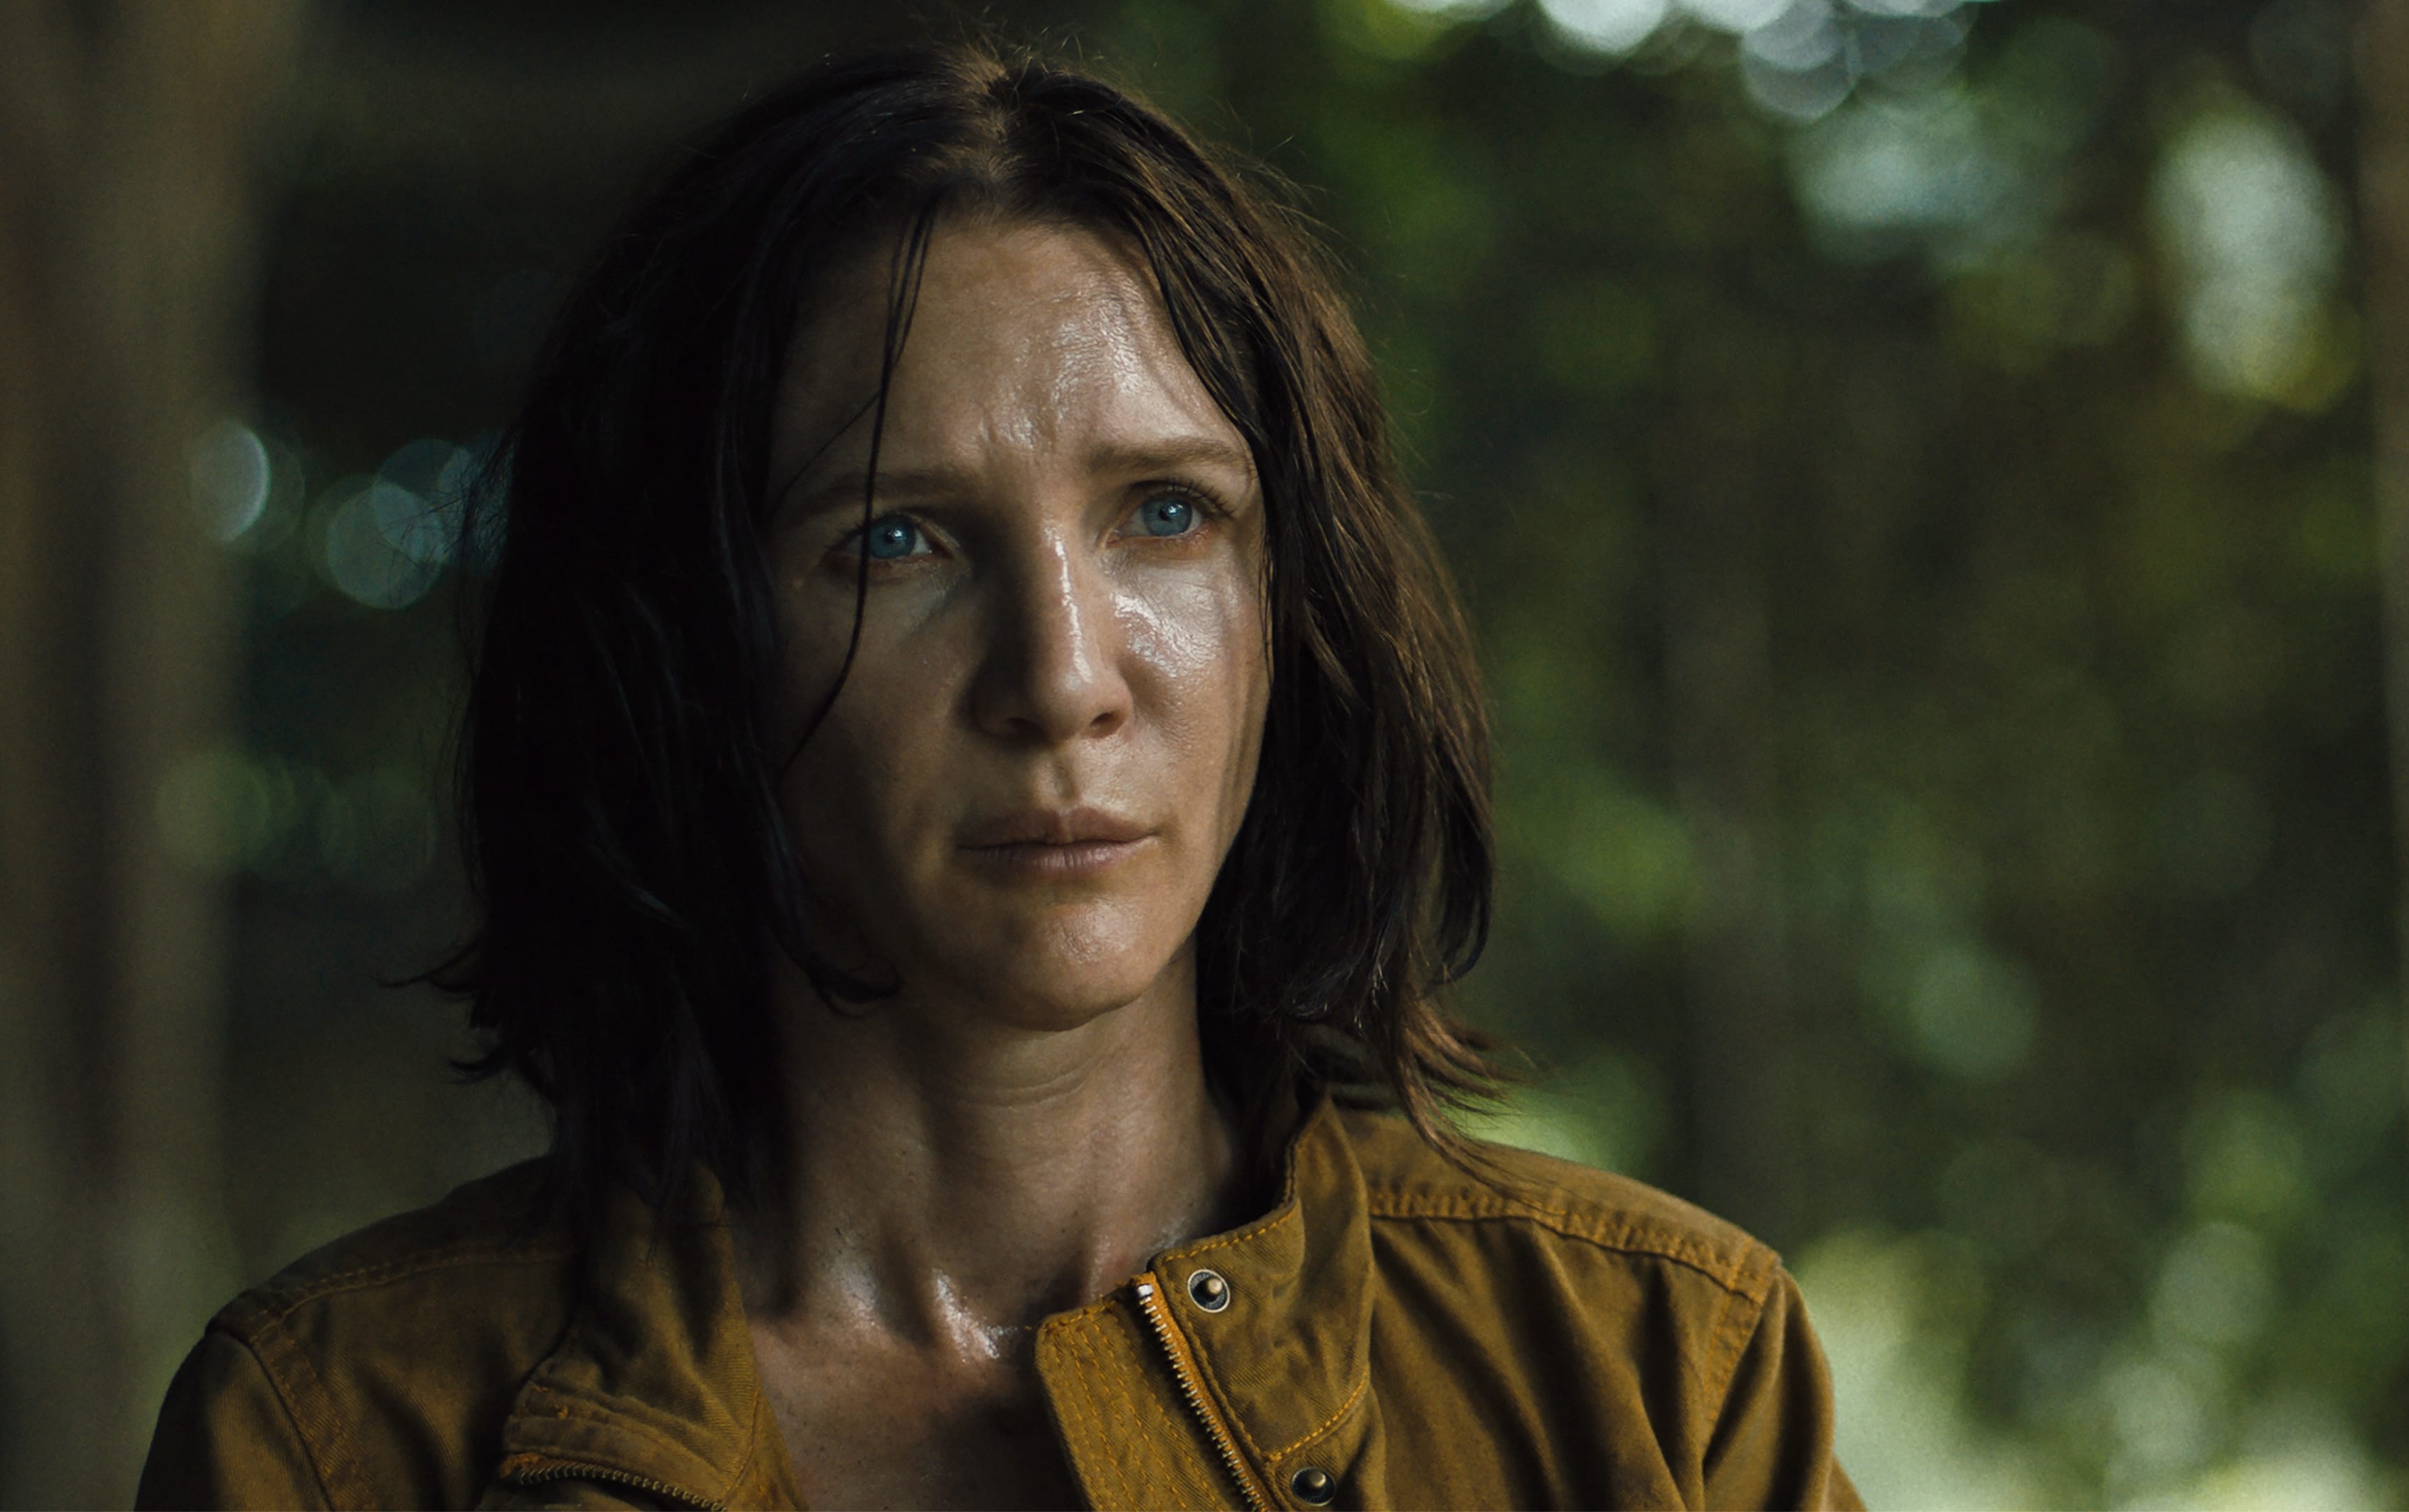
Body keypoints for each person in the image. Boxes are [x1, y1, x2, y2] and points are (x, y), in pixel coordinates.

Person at [137, 41, 1859, 1511]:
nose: (1063, 679)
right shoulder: (340, 1435)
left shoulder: (1657, 1377)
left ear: (1293, 614)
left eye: (1167, 515)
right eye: (897, 539)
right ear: (687, 644)